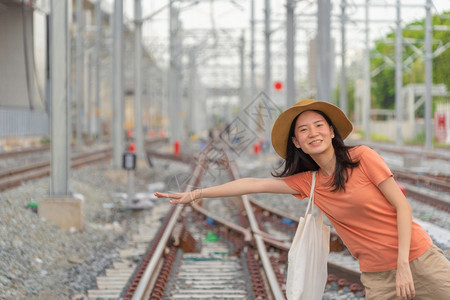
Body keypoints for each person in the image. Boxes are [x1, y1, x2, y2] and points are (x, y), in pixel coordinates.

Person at [155, 99, 450, 300]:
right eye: (304, 130)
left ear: (331, 131)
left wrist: (402, 266)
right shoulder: (309, 183)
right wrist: (196, 193)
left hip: (418, 259)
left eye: (319, 125)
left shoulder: (363, 158)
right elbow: (253, 183)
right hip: (375, 276)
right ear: (297, 142)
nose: (314, 133)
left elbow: (402, 205)